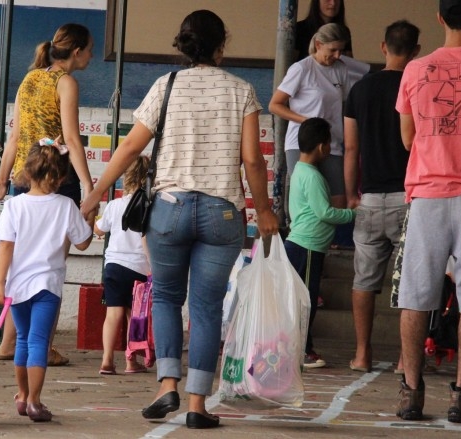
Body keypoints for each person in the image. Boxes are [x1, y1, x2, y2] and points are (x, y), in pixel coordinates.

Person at [80, 10, 278, 429]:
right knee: (206, 307)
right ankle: (196, 405)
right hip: (222, 211)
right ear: (222, 44)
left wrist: (97, 192)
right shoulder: (242, 90)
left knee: (167, 297)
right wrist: (263, 210)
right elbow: (253, 161)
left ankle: (166, 383)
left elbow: (133, 146)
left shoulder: (165, 86)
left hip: (168, 209)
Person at [0, 23, 95, 367]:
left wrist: (2, 180)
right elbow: (72, 140)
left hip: (23, 178)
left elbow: (14, 137)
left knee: (23, 263)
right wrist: (90, 186)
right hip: (57, 180)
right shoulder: (66, 82)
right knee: (51, 266)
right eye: (90, 49)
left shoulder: (30, 79)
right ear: (76, 51)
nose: (91, 55)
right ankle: (41, 345)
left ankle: (9, 342)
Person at [0, 138, 95, 423]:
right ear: (61, 176)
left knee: (22, 339)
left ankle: (23, 396)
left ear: (27, 172)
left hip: (17, 285)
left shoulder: (14, 206)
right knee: (38, 341)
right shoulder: (66, 206)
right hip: (48, 286)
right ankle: (36, 400)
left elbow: (5, 247)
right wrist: (89, 214)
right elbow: (83, 243)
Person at [395, 0, 461, 423]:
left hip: (429, 192)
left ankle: (412, 392)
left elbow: (407, 138)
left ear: (440, 18)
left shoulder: (416, 69)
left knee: (416, 297)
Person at [343, 20, 421, 373]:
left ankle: (362, 354)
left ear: (382, 47)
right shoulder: (416, 84)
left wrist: (350, 193)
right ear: (416, 51)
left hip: (371, 197)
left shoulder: (360, 90)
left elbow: (351, 147)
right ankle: (407, 359)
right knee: (413, 281)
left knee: (364, 281)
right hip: (411, 196)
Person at [284, 117, 356, 369]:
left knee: (305, 299)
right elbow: (325, 212)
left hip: (306, 246)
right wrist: (354, 213)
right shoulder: (311, 175)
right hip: (306, 247)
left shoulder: (301, 171)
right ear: (321, 147)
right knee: (306, 302)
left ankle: (303, 347)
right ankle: (301, 351)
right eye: (328, 143)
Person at [269, 22, 352, 210]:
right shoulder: (301, 68)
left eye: (341, 51)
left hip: (332, 143)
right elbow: (275, 105)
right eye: (332, 50)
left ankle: (335, 240)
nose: (337, 56)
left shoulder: (341, 69)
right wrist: (306, 120)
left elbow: (345, 105)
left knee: (338, 200)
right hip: (302, 142)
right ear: (318, 44)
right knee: (305, 201)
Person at [94, 155, 151, 375]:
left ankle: (107, 360)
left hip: (114, 266)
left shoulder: (114, 205)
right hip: (139, 268)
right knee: (133, 316)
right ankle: (130, 361)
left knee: (113, 314)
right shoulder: (150, 207)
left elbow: (99, 230)